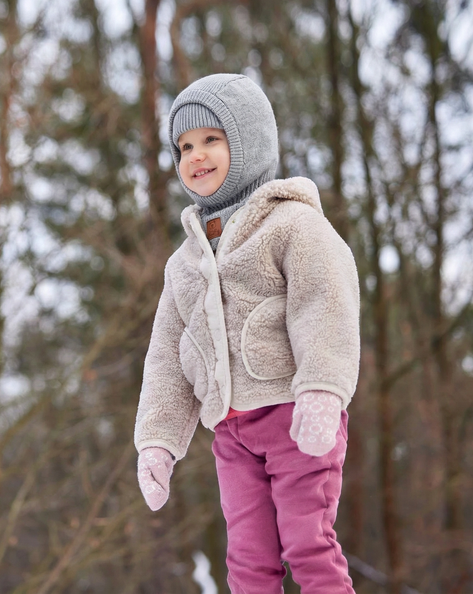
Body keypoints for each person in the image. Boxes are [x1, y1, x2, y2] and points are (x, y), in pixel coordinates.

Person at [134, 73, 360, 594]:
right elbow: (168, 354)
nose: (197, 155)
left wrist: (322, 388)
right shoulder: (185, 262)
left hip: (294, 418)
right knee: (247, 563)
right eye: (185, 146)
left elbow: (325, 301)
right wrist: (159, 441)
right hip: (231, 436)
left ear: (249, 139)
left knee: (308, 544)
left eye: (212, 139)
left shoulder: (291, 225)